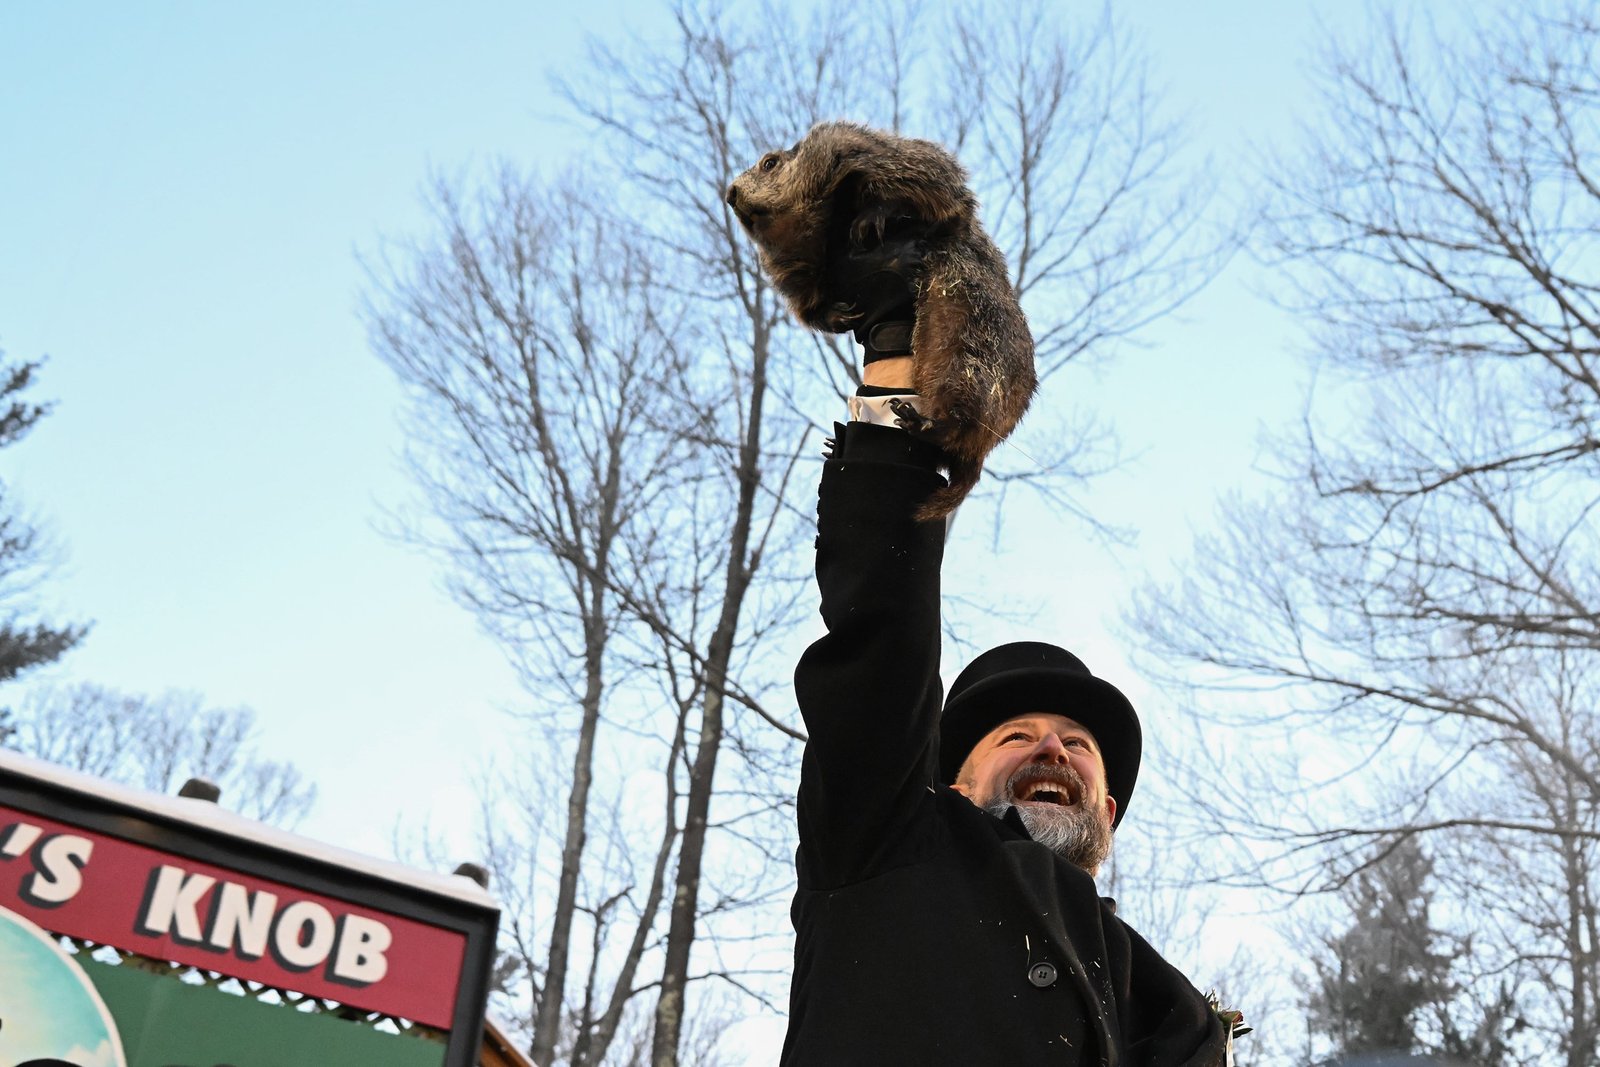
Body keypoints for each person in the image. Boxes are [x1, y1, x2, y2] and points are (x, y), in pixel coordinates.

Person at [780, 320, 1230, 1064]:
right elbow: (882, 653)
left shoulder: (1169, 1013)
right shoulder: (885, 845)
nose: (1052, 746)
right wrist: (899, 363)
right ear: (953, 786)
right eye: (1016, 735)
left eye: (1077, 743)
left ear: (1107, 814)